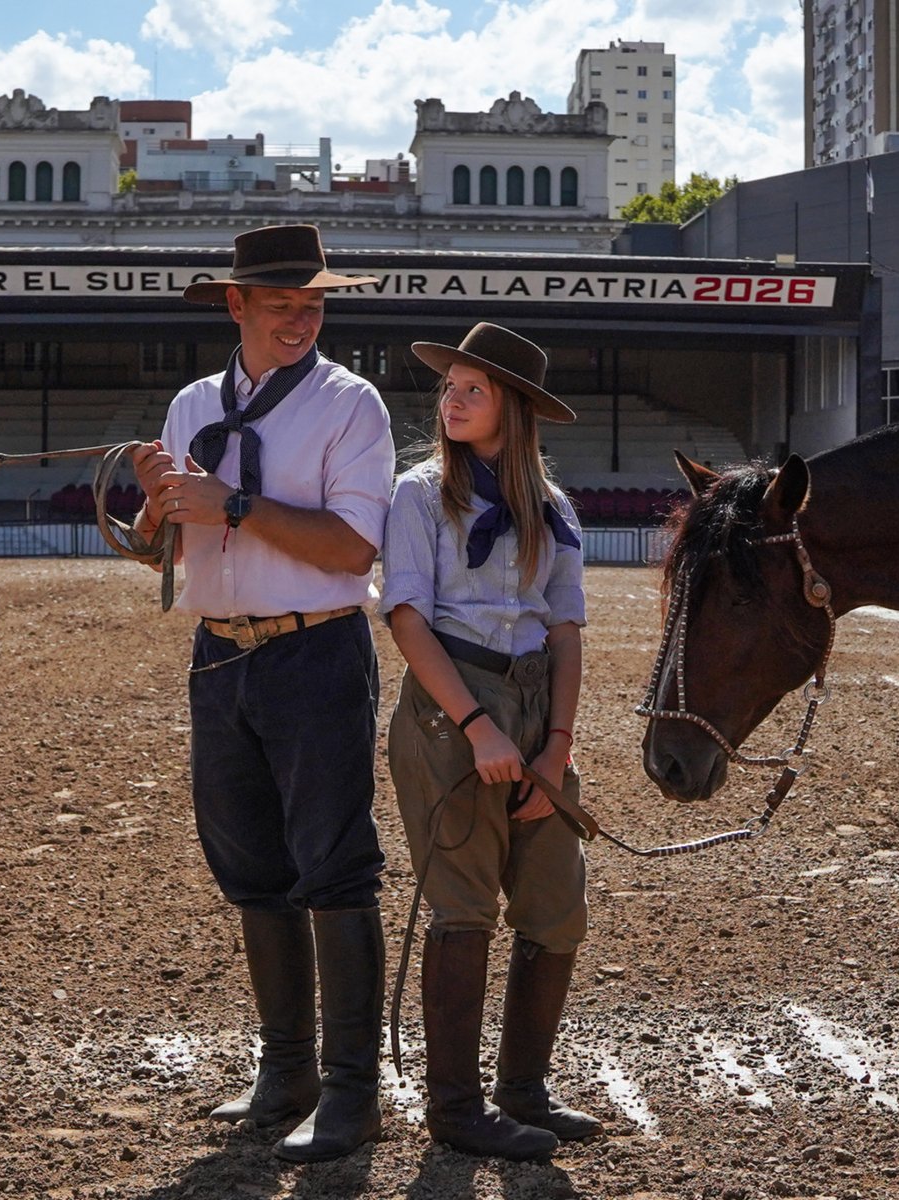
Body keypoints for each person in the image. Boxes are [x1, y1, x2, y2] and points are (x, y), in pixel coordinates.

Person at [126, 224, 396, 1163]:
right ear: (236, 305)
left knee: (333, 862)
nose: (301, 317)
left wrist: (231, 504)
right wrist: (155, 510)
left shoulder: (350, 405)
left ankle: (353, 1091)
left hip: (317, 652)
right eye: (282, 302)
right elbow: (162, 547)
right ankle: (288, 1071)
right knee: (249, 864)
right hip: (219, 653)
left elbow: (354, 550)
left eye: (313, 302)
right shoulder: (191, 403)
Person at [380, 322, 601, 1160]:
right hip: (451, 703)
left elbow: (569, 630)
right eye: (450, 388)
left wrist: (556, 748)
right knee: (464, 905)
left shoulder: (556, 508)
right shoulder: (418, 494)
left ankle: (524, 1090)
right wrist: (476, 728)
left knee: (557, 906)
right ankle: (456, 1108)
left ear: (514, 406)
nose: (453, 400)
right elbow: (406, 617)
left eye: (474, 388)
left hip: (539, 702)